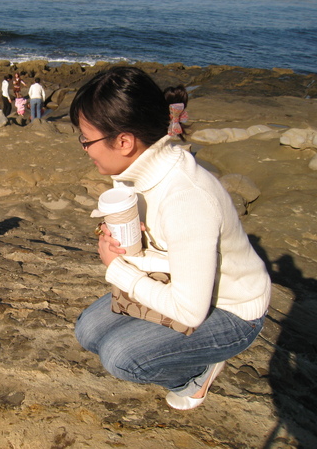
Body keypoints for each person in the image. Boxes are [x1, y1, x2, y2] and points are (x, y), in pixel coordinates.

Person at [70, 66, 271, 410]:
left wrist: (119, 271)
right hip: (180, 280)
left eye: (86, 140)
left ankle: (195, 373)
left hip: (231, 309)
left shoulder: (186, 197)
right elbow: (164, 246)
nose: (85, 149)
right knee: (87, 332)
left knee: (120, 357)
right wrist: (119, 247)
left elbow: (190, 312)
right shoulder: (131, 173)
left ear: (124, 141)